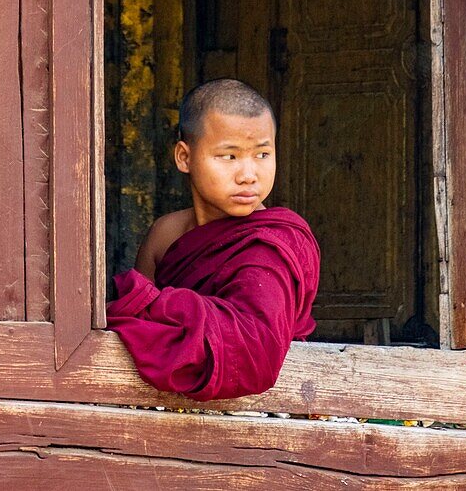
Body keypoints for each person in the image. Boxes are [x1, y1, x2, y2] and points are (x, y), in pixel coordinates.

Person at [105, 78, 320, 401]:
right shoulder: (165, 235)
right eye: (229, 157)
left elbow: (254, 349)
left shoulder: (275, 241)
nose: (248, 174)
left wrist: (160, 304)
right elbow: (136, 327)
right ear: (184, 157)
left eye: (262, 154)